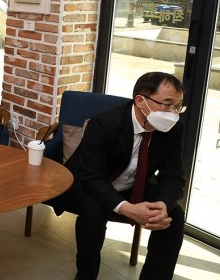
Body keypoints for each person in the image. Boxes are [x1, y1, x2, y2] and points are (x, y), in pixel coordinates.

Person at [56, 72, 186, 280]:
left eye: (178, 106)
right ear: (140, 101)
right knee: (94, 212)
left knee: (174, 216)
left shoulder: (173, 129)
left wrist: (162, 204)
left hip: (130, 185)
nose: (173, 113)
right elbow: (92, 177)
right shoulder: (104, 123)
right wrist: (127, 208)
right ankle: (86, 276)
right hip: (87, 183)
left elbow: (173, 177)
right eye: (167, 104)